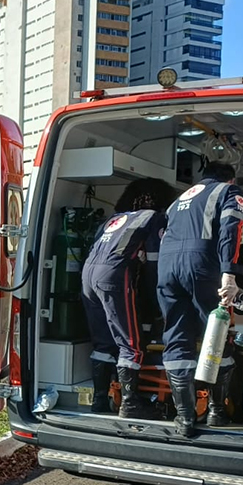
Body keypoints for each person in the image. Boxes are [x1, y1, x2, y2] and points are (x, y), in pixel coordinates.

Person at [157, 162, 243, 437]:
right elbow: (233, 228)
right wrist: (229, 274)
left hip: (167, 267)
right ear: (230, 178)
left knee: (176, 337)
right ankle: (217, 412)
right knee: (219, 334)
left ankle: (185, 419)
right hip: (202, 265)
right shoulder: (228, 191)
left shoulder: (177, 201)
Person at [81, 178, 173, 419]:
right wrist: (158, 301)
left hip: (88, 275)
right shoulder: (155, 218)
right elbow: (154, 263)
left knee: (102, 342)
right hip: (114, 275)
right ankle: (131, 403)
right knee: (130, 343)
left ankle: (99, 400)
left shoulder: (113, 220)